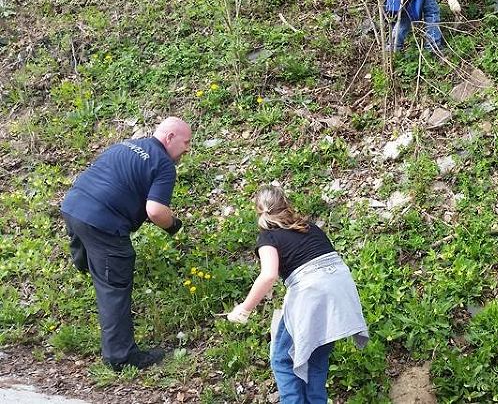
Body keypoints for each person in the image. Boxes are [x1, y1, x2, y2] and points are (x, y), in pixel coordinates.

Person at [60, 116, 191, 371]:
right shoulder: (163, 164)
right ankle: (120, 357)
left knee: (96, 261)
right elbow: (155, 211)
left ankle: (85, 262)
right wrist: (173, 225)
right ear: (170, 137)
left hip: (73, 208)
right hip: (103, 225)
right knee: (114, 285)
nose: (187, 148)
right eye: (186, 142)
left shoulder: (126, 145)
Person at [226, 185, 368, 404]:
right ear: (285, 203)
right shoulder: (308, 227)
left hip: (312, 293)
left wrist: (243, 309)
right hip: (340, 291)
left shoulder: (268, 237)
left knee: (283, 359)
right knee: (315, 361)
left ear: (258, 211)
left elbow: (268, 275)